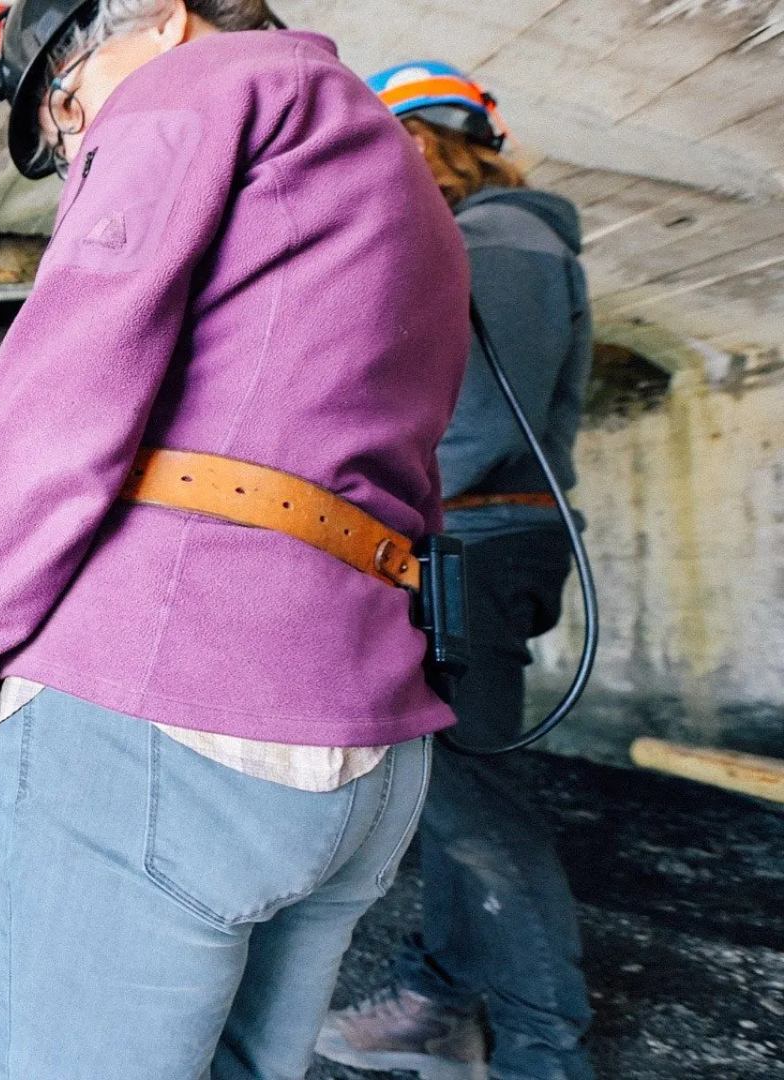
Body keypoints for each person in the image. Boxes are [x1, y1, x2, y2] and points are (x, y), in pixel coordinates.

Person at [0, 2, 474, 1077]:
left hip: (173, 702)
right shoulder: (397, 170)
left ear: (159, 19)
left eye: (67, 94)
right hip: (367, 748)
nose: (75, 129)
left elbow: (54, 428)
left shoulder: (195, 90)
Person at [315, 62, 597, 1080]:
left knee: (470, 800)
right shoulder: (476, 244)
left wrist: (356, 517)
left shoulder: (506, 239)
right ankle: (441, 999)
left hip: (474, 546)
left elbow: (479, 423)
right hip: (463, 542)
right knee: (449, 784)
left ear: (426, 141)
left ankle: (543, 1048)